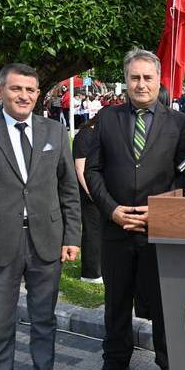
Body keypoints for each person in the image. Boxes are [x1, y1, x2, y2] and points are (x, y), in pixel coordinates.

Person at [0, 63, 81, 370]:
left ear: (38, 94)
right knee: (0, 322)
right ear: (0, 91)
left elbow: (68, 188)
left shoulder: (55, 131)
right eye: (16, 89)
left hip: (47, 241)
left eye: (29, 90)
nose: (23, 96)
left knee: (45, 320)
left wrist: (72, 236)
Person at [85, 48, 185, 370]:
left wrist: (160, 211)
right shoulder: (107, 119)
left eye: (147, 77)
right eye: (135, 77)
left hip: (158, 230)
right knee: (116, 302)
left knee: (163, 303)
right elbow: (93, 170)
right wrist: (112, 210)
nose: (141, 84)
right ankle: (115, 361)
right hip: (116, 229)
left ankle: (168, 365)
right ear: (126, 80)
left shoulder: (180, 123)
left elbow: (184, 175)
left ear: (159, 80)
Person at [72, 116, 102, 284]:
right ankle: (90, 273)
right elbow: (80, 168)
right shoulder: (85, 135)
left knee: (100, 231)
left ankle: (100, 268)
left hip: (100, 191)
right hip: (89, 192)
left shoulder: (100, 134)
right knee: (92, 232)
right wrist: (91, 193)